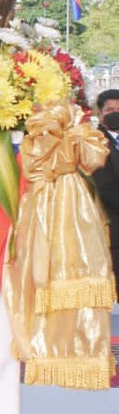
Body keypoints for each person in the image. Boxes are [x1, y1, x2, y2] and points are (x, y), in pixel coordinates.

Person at [91, 88, 119, 300]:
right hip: (112, 220)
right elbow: (105, 184)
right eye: (110, 110)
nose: (115, 114)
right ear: (100, 115)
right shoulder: (95, 142)